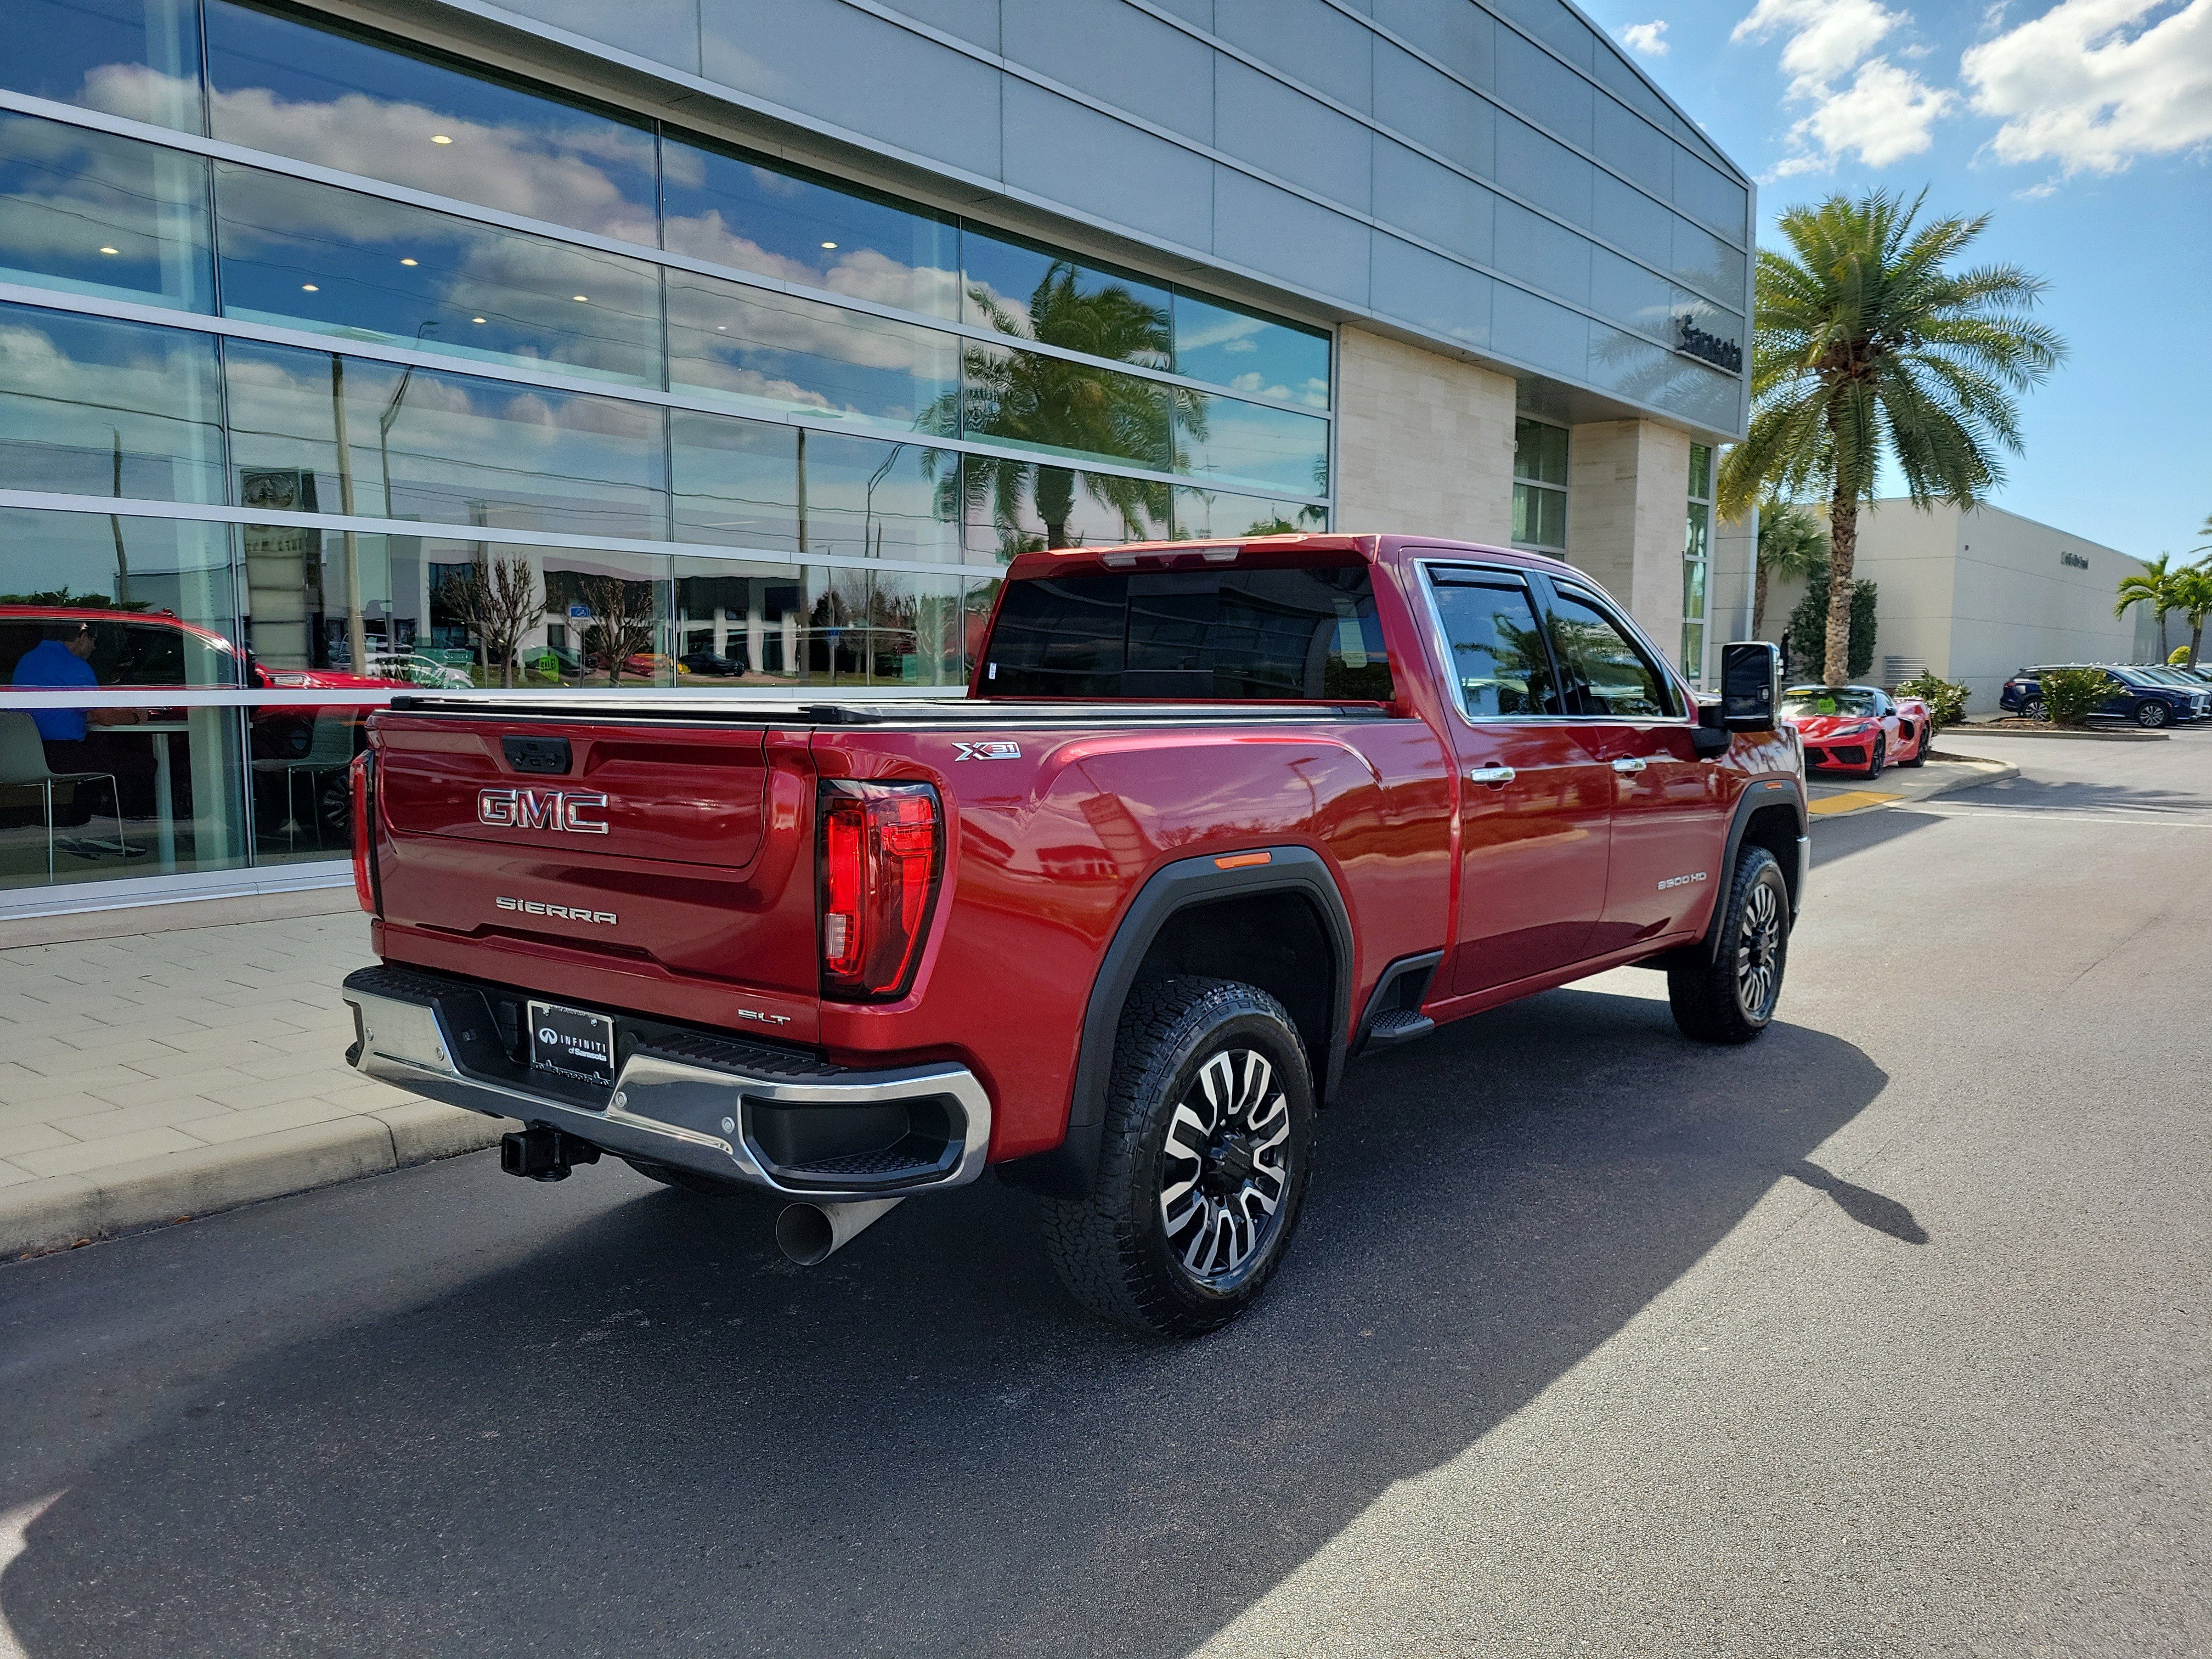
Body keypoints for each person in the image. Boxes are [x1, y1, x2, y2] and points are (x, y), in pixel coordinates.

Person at [11, 620, 146, 826]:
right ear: (81, 637)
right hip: (57, 755)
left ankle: (82, 825)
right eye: (93, 640)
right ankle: (121, 831)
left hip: (22, 755)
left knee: (98, 758)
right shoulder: (74, 666)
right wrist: (136, 717)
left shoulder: (27, 661)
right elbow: (104, 717)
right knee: (141, 764)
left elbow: (53, 712)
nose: (95, 647)